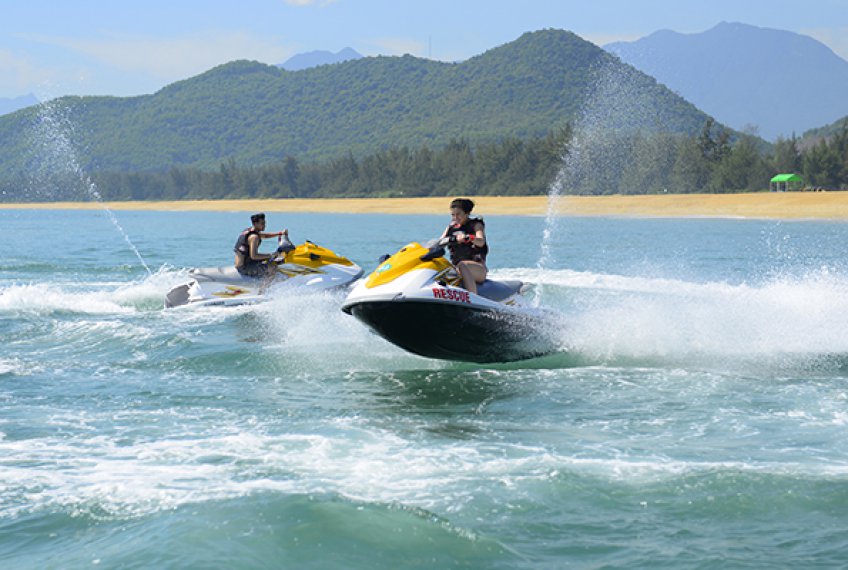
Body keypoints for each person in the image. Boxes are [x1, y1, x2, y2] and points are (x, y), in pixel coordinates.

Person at [440, 198, 488, 294]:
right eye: (453, 215)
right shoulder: (451, 228)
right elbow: (440, 242)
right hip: (456, 268)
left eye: (458, 214)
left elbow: (481, 241)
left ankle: (473, 297)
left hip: (477, 268)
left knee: (462, 265)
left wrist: (469, 237)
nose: (455, 218)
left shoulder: (476, 225)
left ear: (466, 213)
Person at [233, 213, 288, 277]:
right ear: (255, 224)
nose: (264, 225)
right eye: (262, 223)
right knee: (273, 267)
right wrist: (270, 255)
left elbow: (265, 235)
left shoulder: (250, 231)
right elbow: (254, 256)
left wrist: (279, 233)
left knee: (271, 260)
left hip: (246, 262)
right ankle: (267, 286)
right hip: (243, 267)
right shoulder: (254, 237)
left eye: (265, 223)